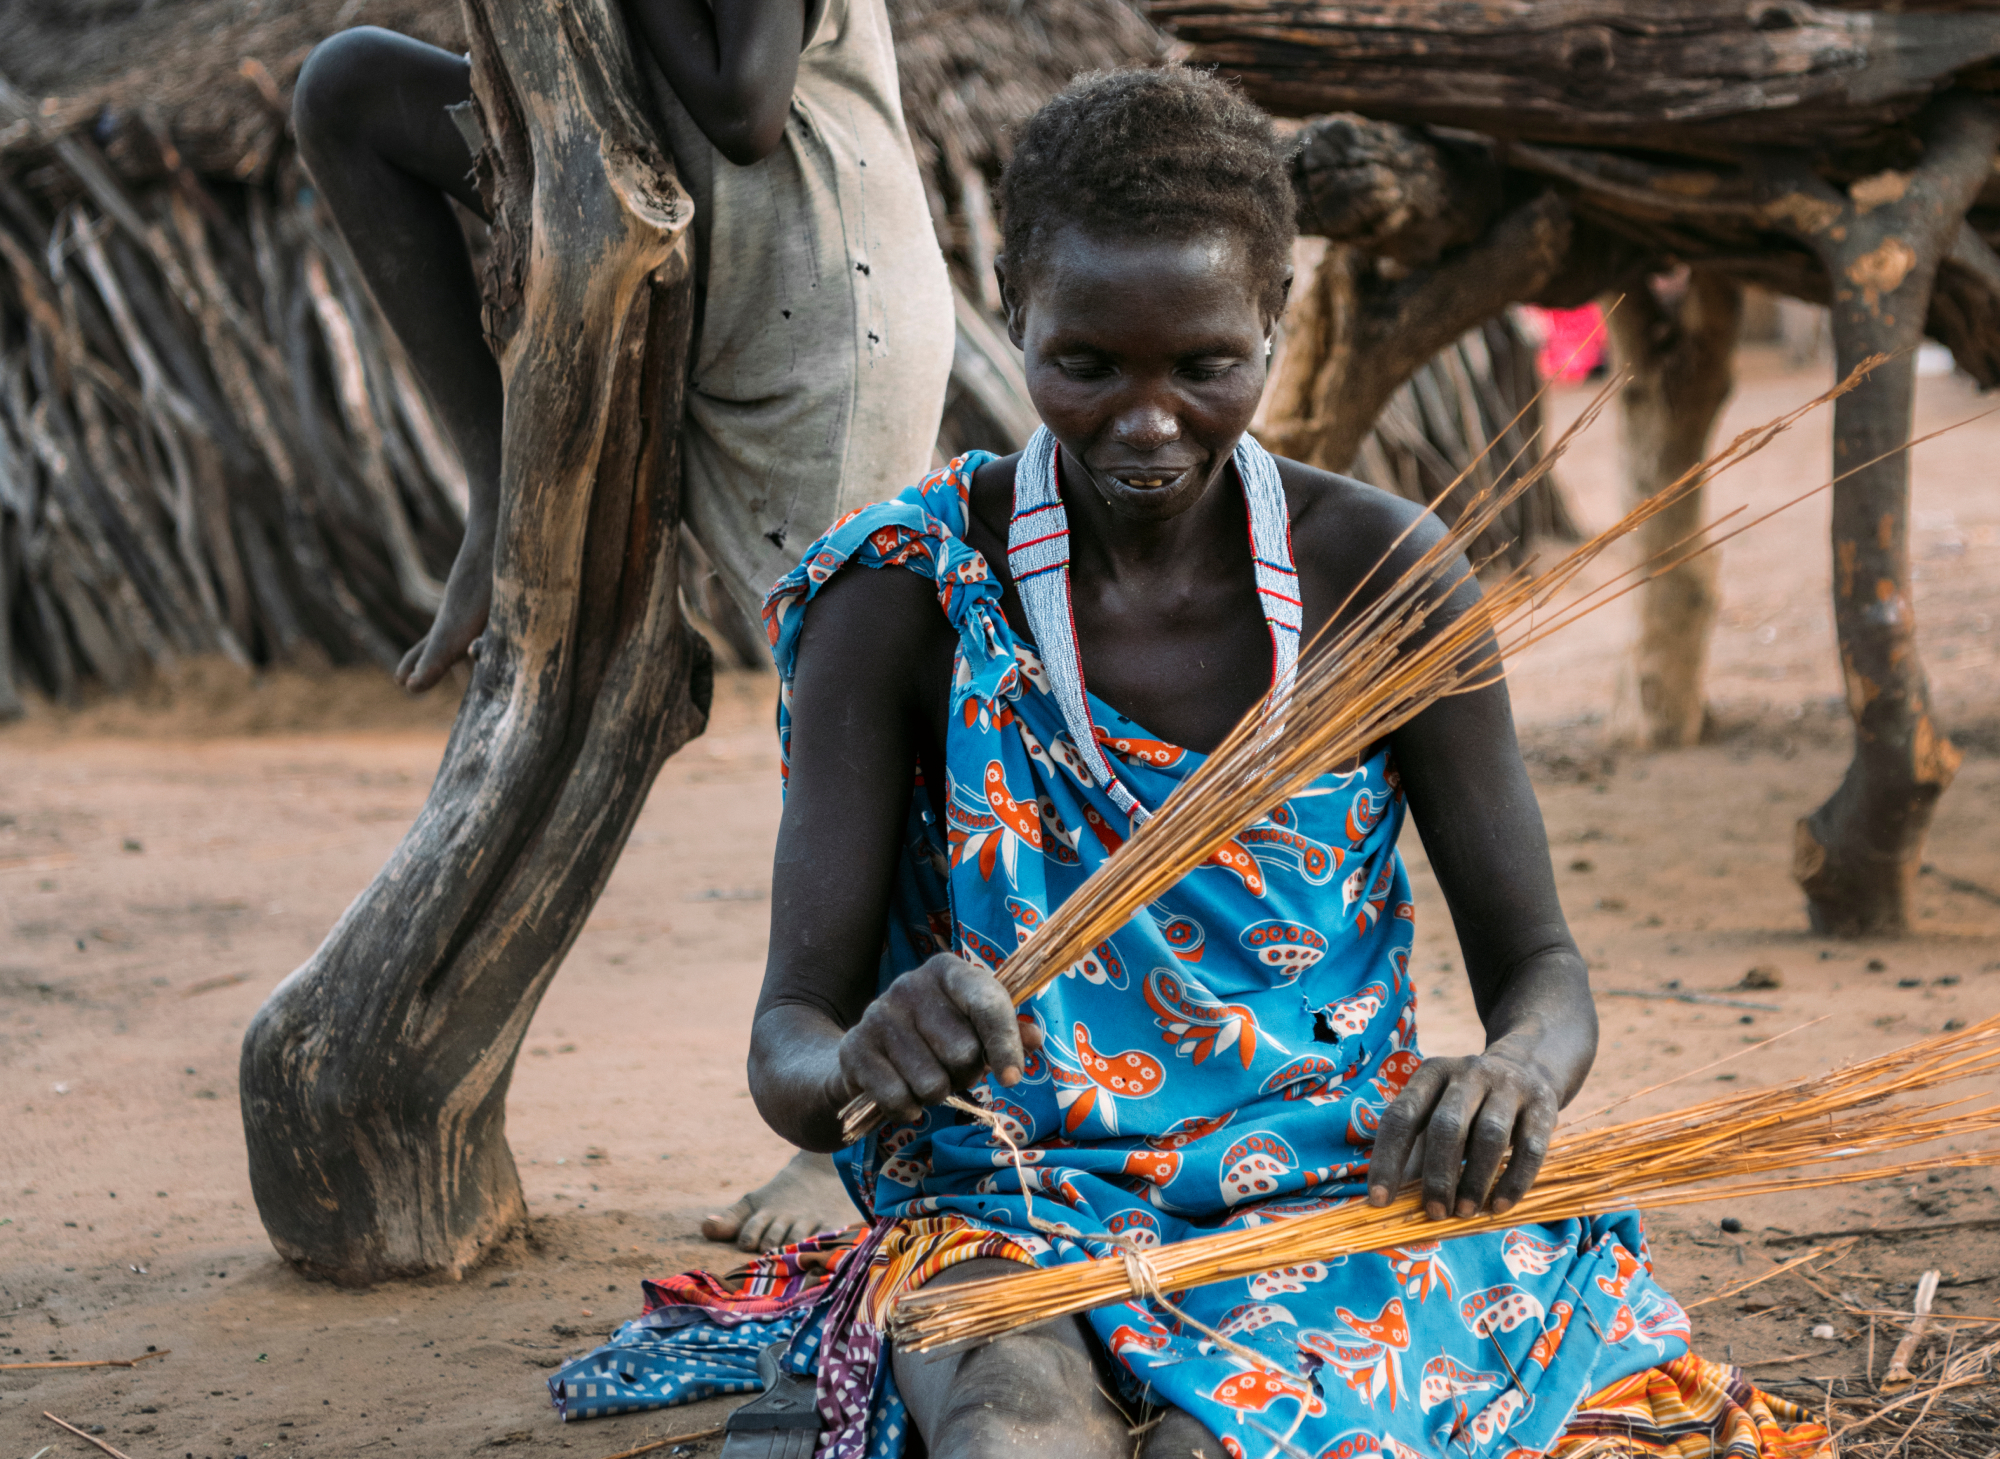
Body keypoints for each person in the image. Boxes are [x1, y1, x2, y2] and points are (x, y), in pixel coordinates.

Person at [547, 68, 1833, 1459]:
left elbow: (1545, 970)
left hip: (1336, 1193)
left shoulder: (1381, 579)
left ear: (1277, 319)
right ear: (1013, 304)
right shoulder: (904, 597)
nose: (1146, 421)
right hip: (1010, 1203)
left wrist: (1514, 1071)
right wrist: (866, 1052)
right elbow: (789, 1044)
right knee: (1005, 1430)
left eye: (1206, 366)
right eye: (1087, 363)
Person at [291, 0, 954, 1249]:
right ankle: (494, 494)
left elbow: (746, 110)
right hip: (679, 244)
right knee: (352, 88)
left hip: (823, 300)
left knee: (854, 725)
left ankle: (855, 1135)